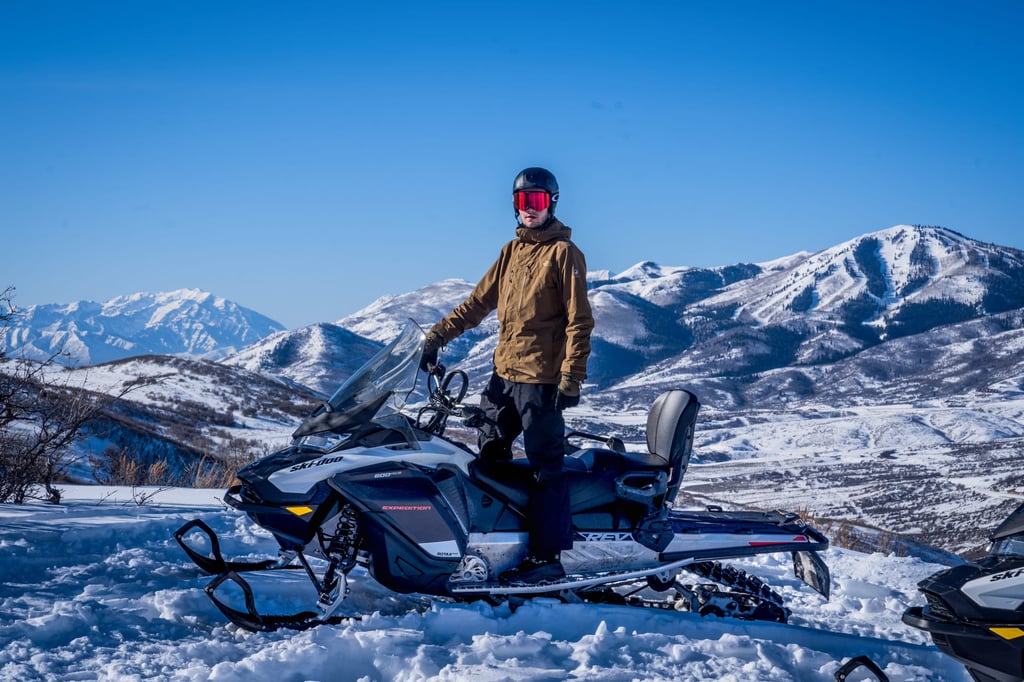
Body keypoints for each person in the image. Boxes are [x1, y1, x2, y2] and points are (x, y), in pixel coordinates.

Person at [421, 166, 594, 583]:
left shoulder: (564, 254)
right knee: (488, 457)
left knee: (544, 467)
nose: (528, 210)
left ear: (552, 203)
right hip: (503, 377)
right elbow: (476, 304)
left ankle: (547, 558)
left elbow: (579, 322)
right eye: (522, 202)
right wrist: (435, 338)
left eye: (536, 201)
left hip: (540, 381)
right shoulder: (511, 252)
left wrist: (571, 377)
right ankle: (494, 539)